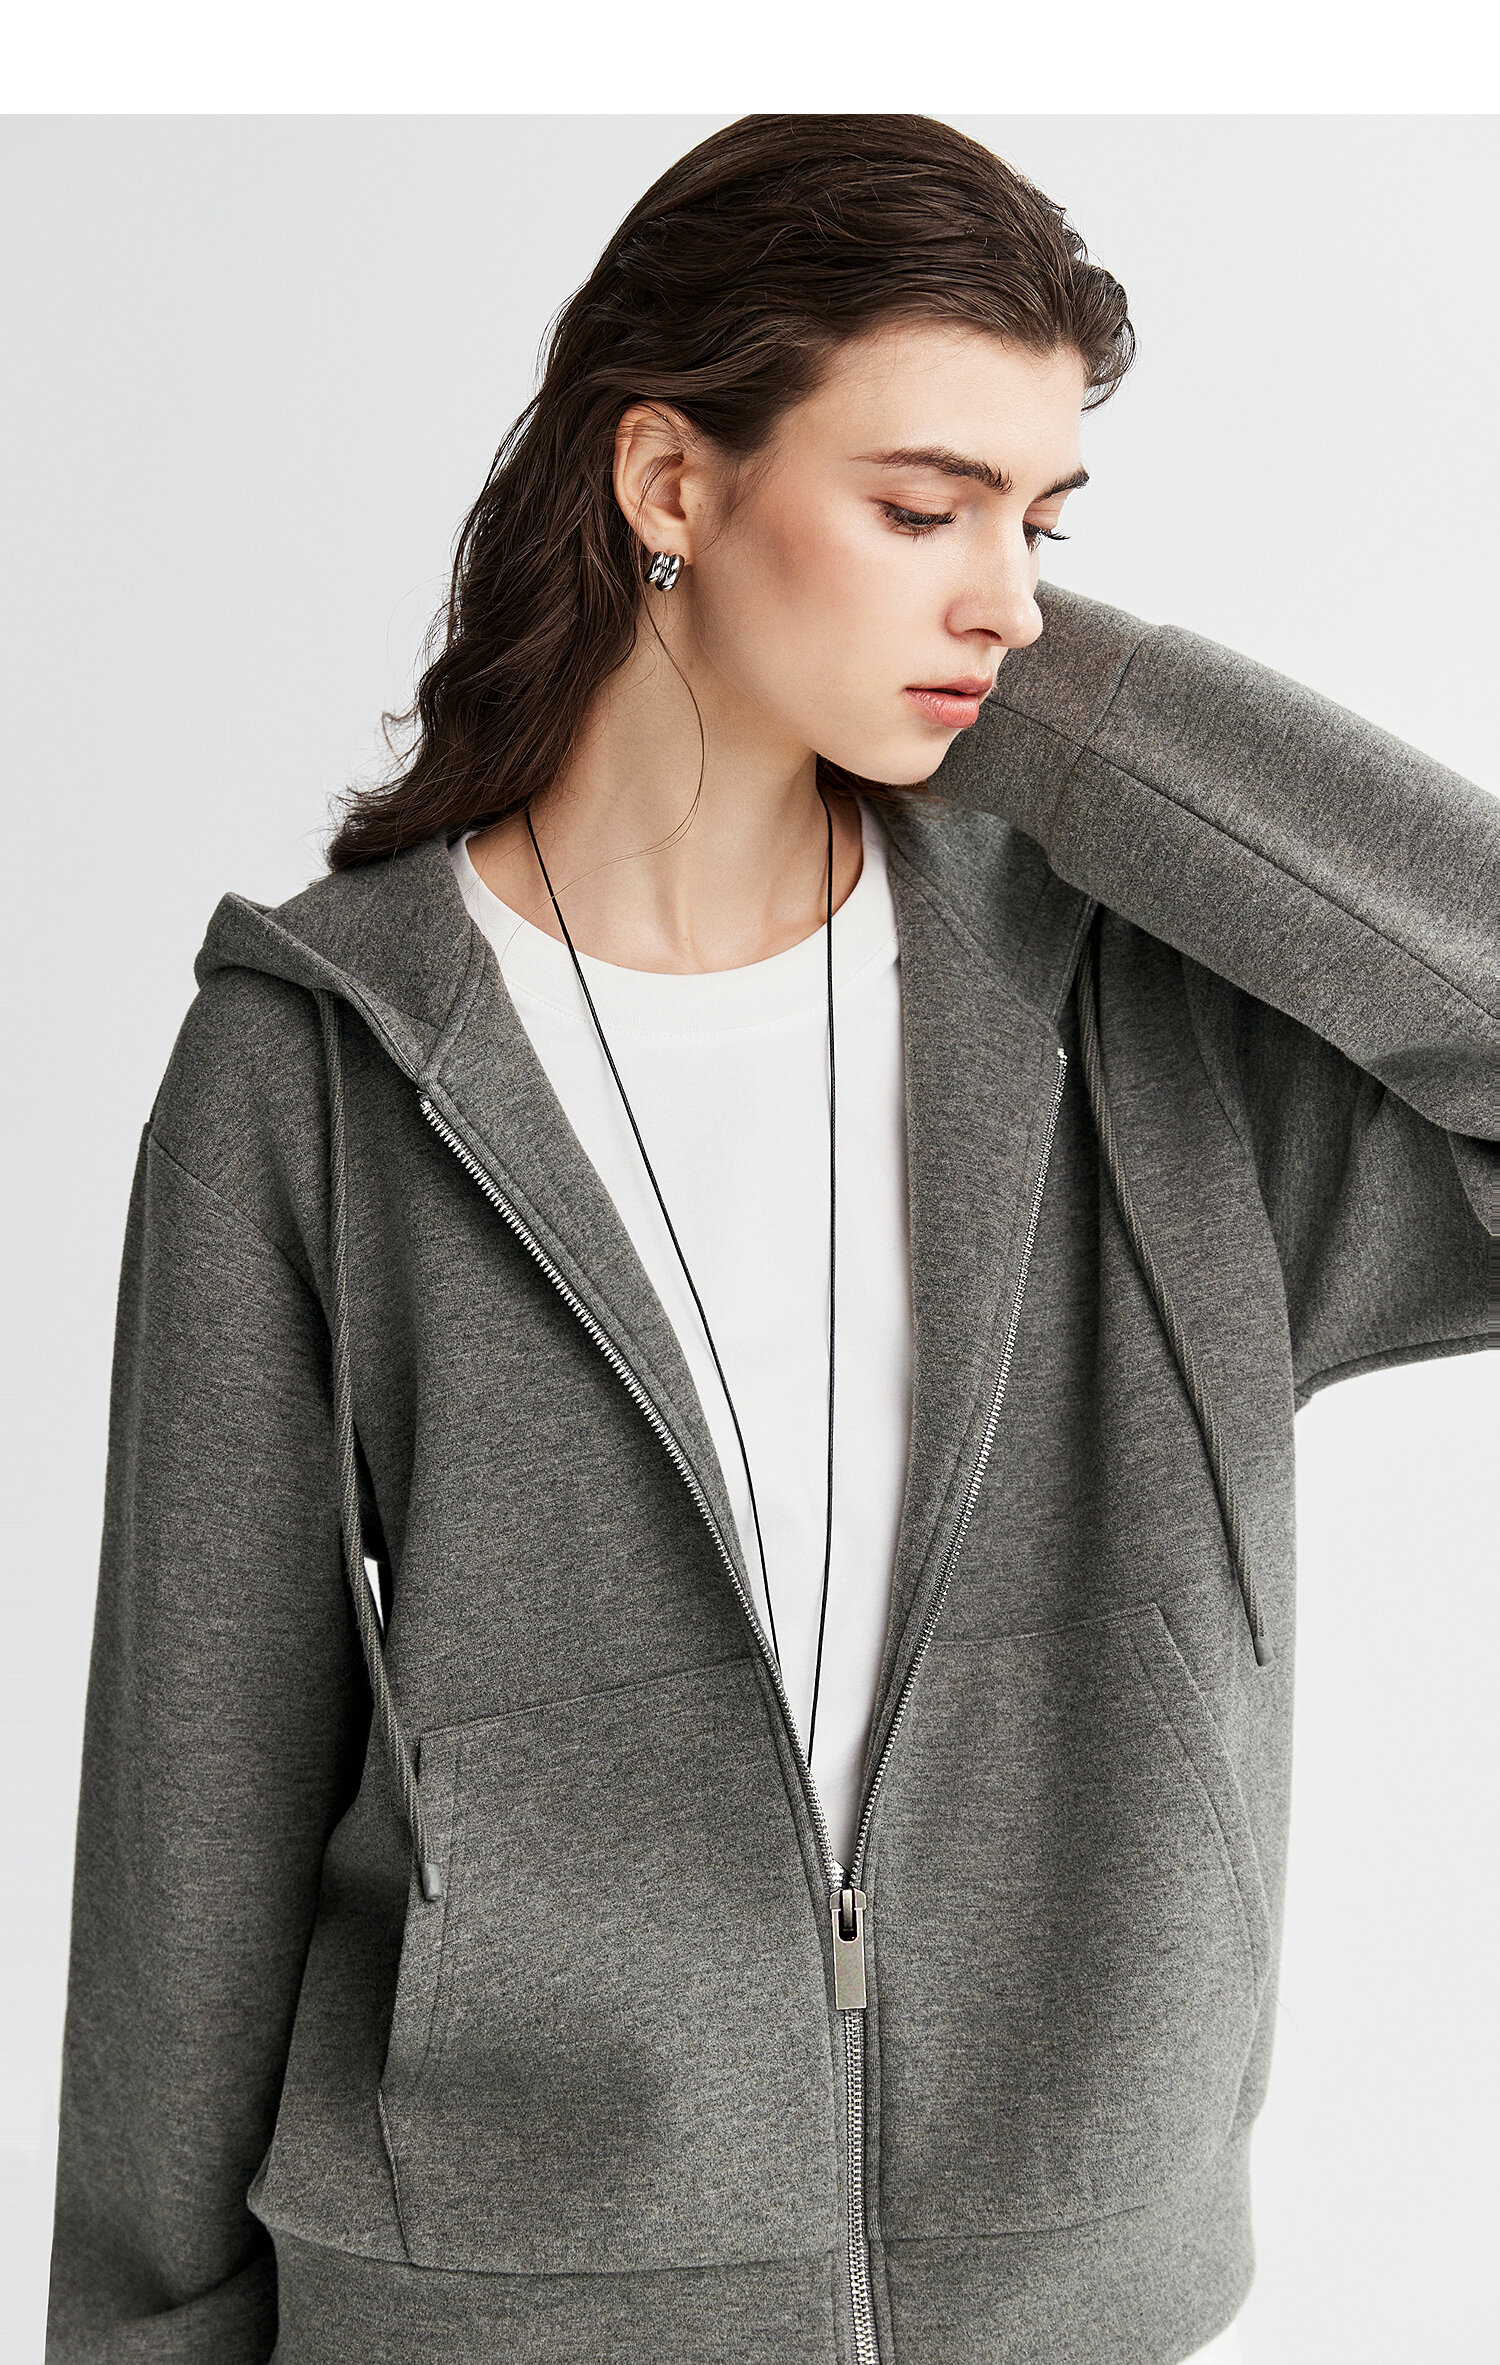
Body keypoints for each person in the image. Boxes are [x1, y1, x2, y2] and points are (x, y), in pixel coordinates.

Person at [44, 114, 1496, 2365]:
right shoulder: (316, 1072)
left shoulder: (1131, 1038)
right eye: (924, 507)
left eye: (1042, 521)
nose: (1007, 594)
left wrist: (1065, 723)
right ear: (670, 481)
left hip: (1065, 2297)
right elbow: (191, 1806)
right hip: (495, 2311)